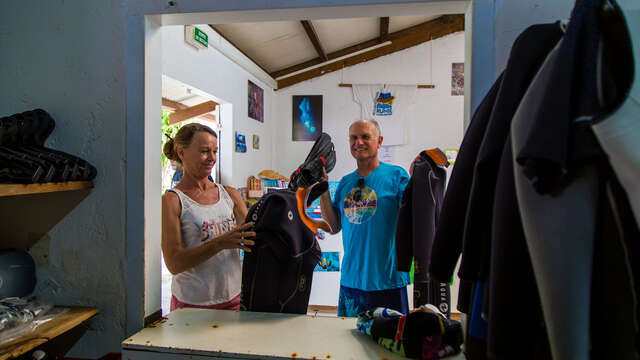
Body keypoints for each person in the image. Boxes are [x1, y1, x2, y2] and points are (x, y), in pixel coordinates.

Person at [319, 119, 410, 317]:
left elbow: (414, 218)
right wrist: (322, 188)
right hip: (352, 282)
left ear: (379, 141)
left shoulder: (397, 176)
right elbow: (333, 227)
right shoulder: (345, 183)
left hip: (388, 281)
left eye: (365, 137)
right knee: (349, 344)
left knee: (391, 343)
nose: (358, 142)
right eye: (354, 137)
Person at [162, 123, 255, 311]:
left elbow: (253, 236)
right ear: (181, 153)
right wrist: (220, 243)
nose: (212, 158)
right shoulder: (173, 200)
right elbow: (174, 263)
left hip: (235, 298)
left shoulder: (230, 194)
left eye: (215, 151)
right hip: (192, 305)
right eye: (204, 151)